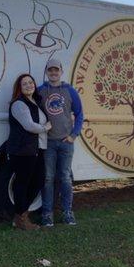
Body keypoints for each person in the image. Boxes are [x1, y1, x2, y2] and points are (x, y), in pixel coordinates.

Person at [38, 59, 84, 226]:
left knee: (65, 178)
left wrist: (74, 135)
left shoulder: (70, 91)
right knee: (48, 178)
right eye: (50, 70)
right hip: (48, 143)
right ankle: (47, 214)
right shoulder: (41, 91)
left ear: (61, 71)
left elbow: (79, 114)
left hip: (66, 142)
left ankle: (67, 212)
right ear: (46, 72)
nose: (53, 73)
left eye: (56, 70)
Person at [6, 73, 51, 230]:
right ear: (19, 87)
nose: (28, 85)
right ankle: (21, 218)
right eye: (24, 83)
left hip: (36, 148)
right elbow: (29, 126)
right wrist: (45, 128)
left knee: (38, 180)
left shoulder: (36, 102)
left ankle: (20, 216)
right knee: (22, 184)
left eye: (31, 82)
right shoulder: (19, 104)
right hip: (22, 150)